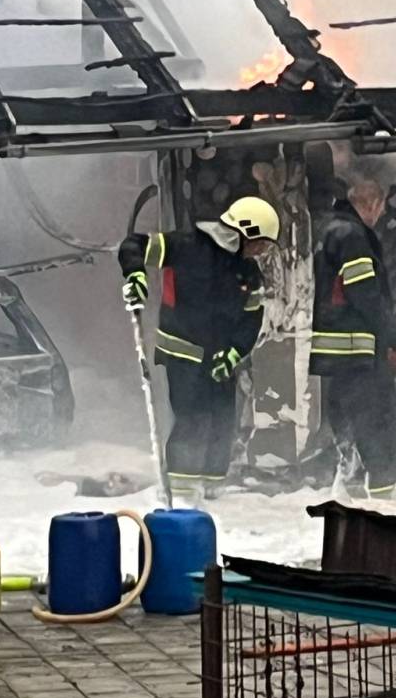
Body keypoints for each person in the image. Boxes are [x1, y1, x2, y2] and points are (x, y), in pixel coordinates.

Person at [119, 195, 279, 498]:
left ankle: (211, 490)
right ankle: (182, 495)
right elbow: (133, 246)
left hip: (219, 359)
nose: (263, 251)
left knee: (221, 422)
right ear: (245, 232)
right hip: (183, 352)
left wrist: (234, 352)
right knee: (192, 419)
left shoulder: (248, 272)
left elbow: (251, 320)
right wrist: (136, 274)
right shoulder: (187, 246)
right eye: (263, 243)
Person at [310, 178, 396, 497]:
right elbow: (365, 292)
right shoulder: (353, 236)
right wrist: (392, 339)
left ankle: (349, 483)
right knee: (375, 416)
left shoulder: (330, 229)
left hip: (335, 349)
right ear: (372, 203)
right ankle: (382, 490)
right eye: (382, 207)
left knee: (345, 415)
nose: (381, 214)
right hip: (358, 347)